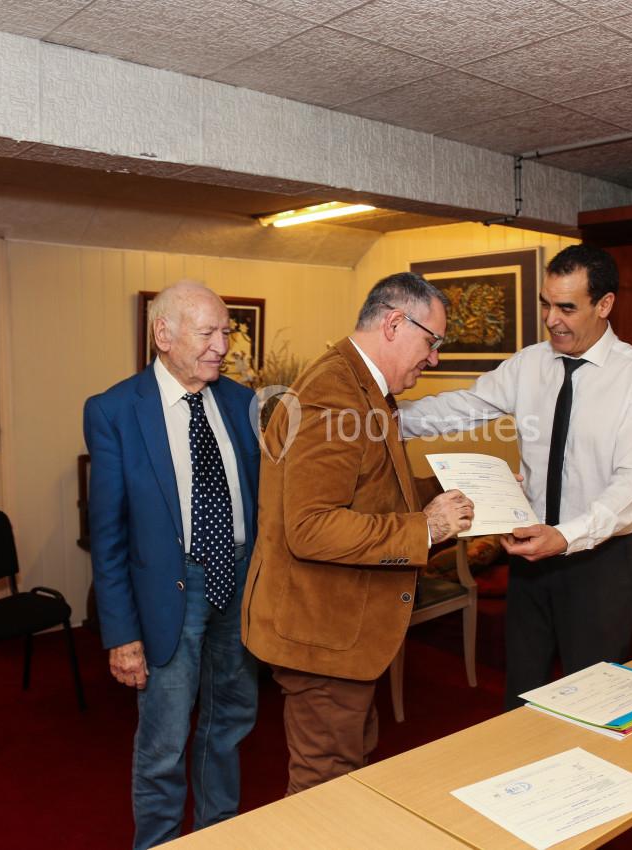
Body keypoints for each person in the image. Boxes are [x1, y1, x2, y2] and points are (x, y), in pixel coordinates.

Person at [399, 244, 632, 709]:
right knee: (522, 694)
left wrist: (565, 537)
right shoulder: (530, 364)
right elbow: (465, 406)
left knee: (594, 701)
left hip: (598, 563)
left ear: (604, 305)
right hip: (529, 557)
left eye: (567, 307)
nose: (551, 319)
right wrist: (385, 419)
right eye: (546, 304)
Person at [242, 272, 474, 794]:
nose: (434, 358)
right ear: (394, 323)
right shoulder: (333, 393)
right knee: (325, 787)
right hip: (320, 631)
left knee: (348, 769)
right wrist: (427, 527)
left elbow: (375, 491)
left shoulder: (362, 384)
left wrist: (460, 489)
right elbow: (311, 528)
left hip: (343, 629)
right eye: (432, 342)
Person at [84, 282, 261, 849]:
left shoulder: (242, 402)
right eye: (208, 333)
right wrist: (122, 635)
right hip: (169, 593)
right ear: (164, 334)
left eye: (226, 332)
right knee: (164, 741)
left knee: (229, 724)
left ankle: (217, 835)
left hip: (238, 582)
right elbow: (108, 534)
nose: (222, 346)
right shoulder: (115, 410)